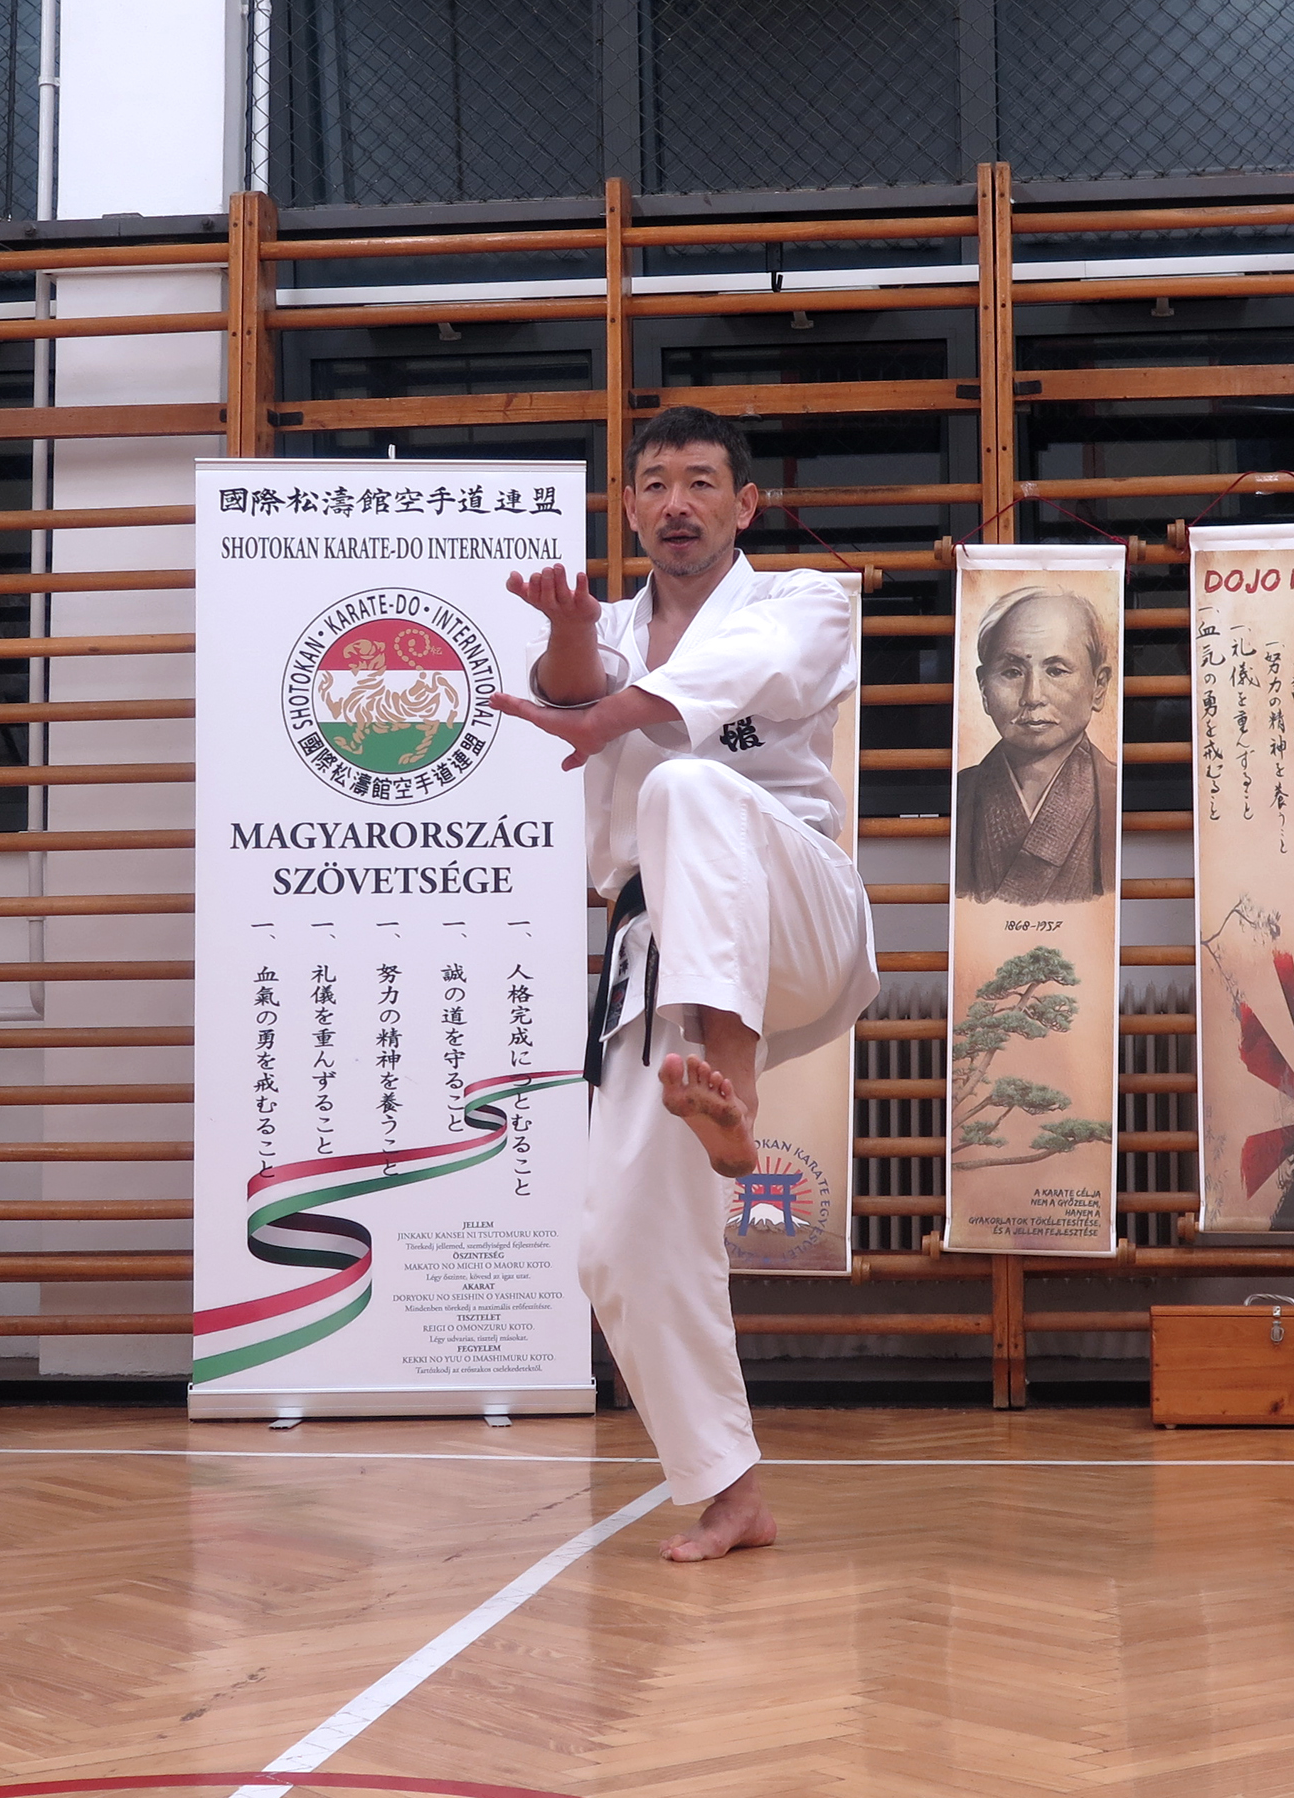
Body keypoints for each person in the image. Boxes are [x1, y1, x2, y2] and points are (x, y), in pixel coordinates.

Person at [487, 405, 877, 1563]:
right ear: (628, 508)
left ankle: (736, 1089)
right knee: (617, 1239)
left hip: (796, 913)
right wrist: (573, 644)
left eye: (701, 482)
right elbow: (574, 686)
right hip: (657, 954)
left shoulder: (806, 603)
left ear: (743, 504)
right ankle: (730, 1489)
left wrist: (604, 709)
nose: (676, 503)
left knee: (685, 788)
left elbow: (638, 704)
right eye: (654, 483)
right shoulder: (610, 630)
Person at [952, 585, 1119, 905]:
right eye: (1012, 672)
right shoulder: (961, 794)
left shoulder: (1114, 792)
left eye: (1056, 671)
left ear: (1099, 686)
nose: (1032, 696)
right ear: (984, 688)